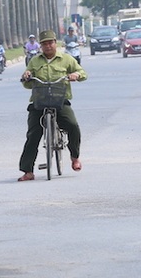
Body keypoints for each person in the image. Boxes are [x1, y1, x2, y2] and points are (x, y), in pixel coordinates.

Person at [18, 29, 88, 182]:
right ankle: (28, 170)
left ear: (56, 43)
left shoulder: (66, 59)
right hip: (39, 102)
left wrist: (76, 75)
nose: (48, 46)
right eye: (44, 44)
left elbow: (82, 73)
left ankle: (74, 156)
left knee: (73, 125)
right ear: (40, 46)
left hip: (60, 101)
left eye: (50, 42)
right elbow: (27, 84)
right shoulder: (35, 61)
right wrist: (27, 77)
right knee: (32, 135)